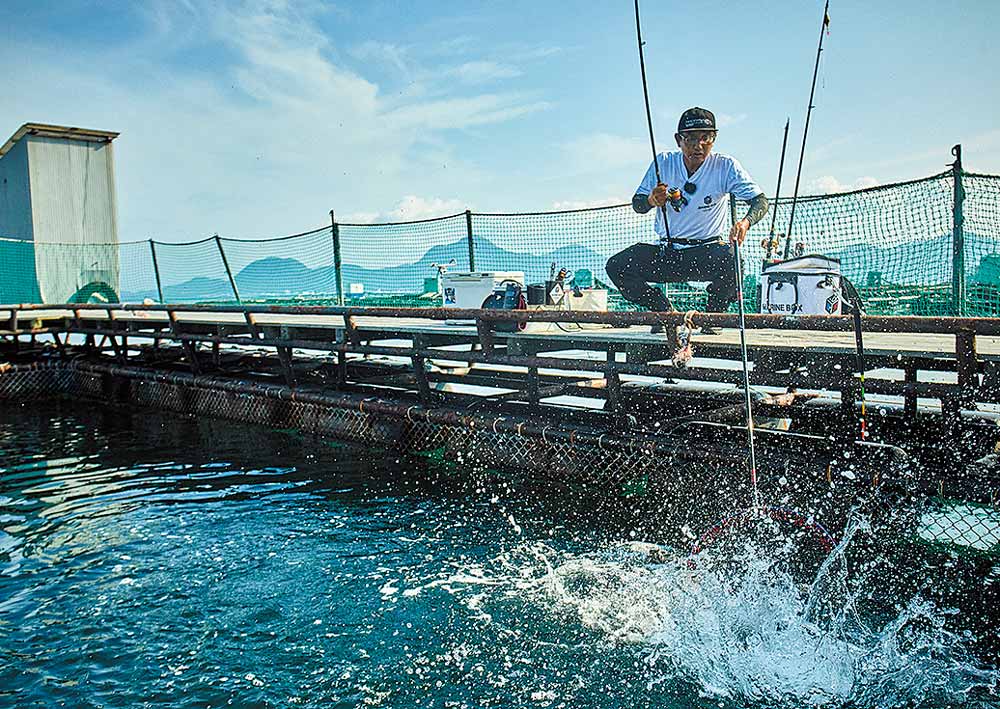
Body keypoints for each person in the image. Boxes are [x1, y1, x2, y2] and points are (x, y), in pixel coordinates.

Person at [606, 107, 769, 329]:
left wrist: (745, 222)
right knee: (617, 265)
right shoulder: (663, 162)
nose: (698, 146)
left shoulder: (726, 165)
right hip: (668, 252)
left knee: (734, 261)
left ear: (714, 138)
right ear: (678, 140)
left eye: (706, 138)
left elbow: (760, 201)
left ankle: (713, 317)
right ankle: (663, 310)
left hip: (707, 252)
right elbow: (638, 204)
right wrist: (652, 200)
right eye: (690, 139)